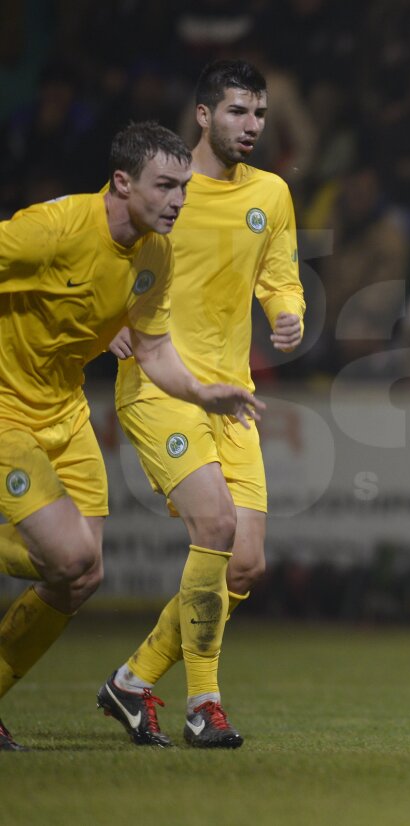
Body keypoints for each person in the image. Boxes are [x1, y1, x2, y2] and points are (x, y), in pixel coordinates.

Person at [0, 121, 263, 751]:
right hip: (6, 411)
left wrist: (203, 393)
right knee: (66, 556)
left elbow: (151, 347)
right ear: (122, 182)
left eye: (184, 187)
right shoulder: (53, 229)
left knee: (83, 575)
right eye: (165, 186)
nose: (179, 200)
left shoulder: (153, 253)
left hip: (64, 416)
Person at [98, 60, 304, 750]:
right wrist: (108, 320)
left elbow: (280, 275)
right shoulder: (164, 183)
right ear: (203, 115)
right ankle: (203, 705)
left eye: (261, 115)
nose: (251, 126)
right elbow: (98, 251)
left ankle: (134, 678)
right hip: (160, 386)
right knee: (214, 527)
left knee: (246, 564)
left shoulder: (271, 194)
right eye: (239, 112)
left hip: (229, 391)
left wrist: (287, 312)